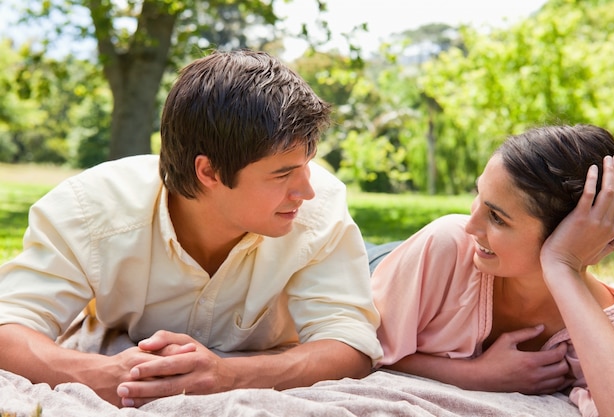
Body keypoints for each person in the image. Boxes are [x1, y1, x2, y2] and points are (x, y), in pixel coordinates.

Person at [0, 49, 383, 408]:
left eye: (307, 164)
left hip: (376, 265)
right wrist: (107, 374)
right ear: (209, 172)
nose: (306, 189)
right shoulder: (90, 210)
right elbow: (9, 325)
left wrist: (227, 376)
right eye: (283, 173)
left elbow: (350, 345)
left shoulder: (320, 208)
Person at [371, 124, 614, 417]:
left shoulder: (612, 330)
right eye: (479, 195)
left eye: (497, 218)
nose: (471, 225)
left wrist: (562, 265)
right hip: (387, 267)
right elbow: (361, 349)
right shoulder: (448, 242)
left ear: (572, 235)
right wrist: (475, 375)